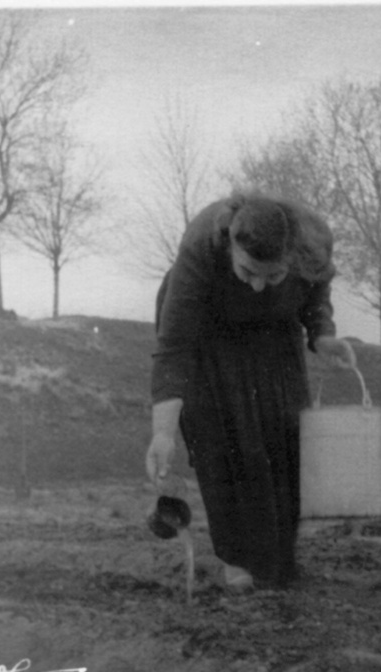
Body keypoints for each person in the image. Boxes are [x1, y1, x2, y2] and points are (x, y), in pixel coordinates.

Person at [146, 193, 353, 591]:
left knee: (285, 431)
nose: (258, 285)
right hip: (209, 330)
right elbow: (174, 347)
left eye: (273, 276)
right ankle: (235, 559)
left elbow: (316, 293)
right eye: (247, 271)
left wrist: (322, 335)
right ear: (230, 247)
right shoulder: (202, 244)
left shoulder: (313, 241)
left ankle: (277, 558)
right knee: (223, 437)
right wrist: (162, 433)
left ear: (293, 258)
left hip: (274, 329)